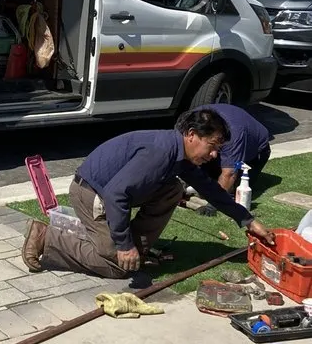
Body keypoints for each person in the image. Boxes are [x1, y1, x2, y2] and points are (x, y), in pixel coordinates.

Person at [22, 108, 275, 279]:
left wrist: (248, 221)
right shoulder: (160, 153)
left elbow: (211, 190)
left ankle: (135, 249)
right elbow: (116, 194)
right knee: (118, 267)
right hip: (91, 195)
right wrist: (123, 245)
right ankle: (48, 237)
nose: (214, 155)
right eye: (212, 146)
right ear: (191, 135)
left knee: (173, 190)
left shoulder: (179, 155)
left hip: (107, 193)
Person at [196, 103, 271, 193]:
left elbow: (229, 174)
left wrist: (212, 205)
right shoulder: (189, 122)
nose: (214, 154)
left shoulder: (232, 135)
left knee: (237, 191)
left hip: (254, 152)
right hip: (227, 138)